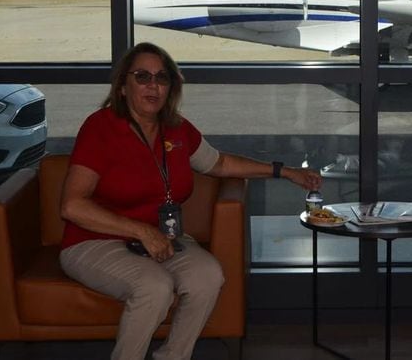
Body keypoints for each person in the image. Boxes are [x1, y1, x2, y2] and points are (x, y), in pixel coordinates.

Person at [59, 42, 322, 360]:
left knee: (207, 276)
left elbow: (220, 164)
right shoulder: (100, 128)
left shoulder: (177, 129)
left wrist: (285, 171)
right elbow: (72, 205)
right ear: (123, 87)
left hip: (163, 239)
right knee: (154, 288)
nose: (153, 85)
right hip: (95, 241)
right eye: (142, 76)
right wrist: (142, 232)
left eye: (162, 77)